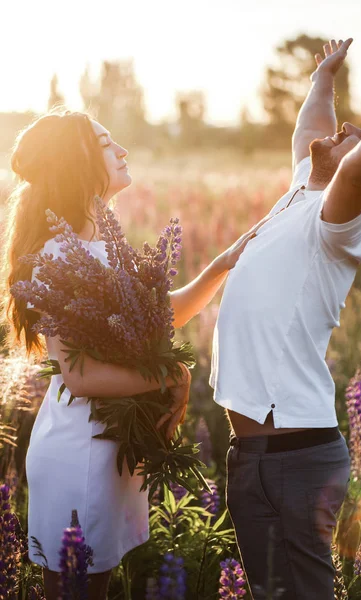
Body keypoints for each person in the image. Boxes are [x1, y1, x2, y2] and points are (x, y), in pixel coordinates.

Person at [0, 111, 259, 600]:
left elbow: (153, 319)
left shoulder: (96, 248)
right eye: (105, 142)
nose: (121, 149)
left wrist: (220, 267)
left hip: (108, 448)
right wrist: (169, 377)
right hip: (80, 451)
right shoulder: (57, 256)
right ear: (78, 162)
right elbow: (79, 376)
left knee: (94, 586)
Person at [210, 38, 361, 599]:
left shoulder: (338, 224)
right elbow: (310, 129)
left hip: (293, 458)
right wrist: (323, 76)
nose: (344, 131)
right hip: (257, 456)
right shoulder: (299, 191)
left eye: (357, 138)